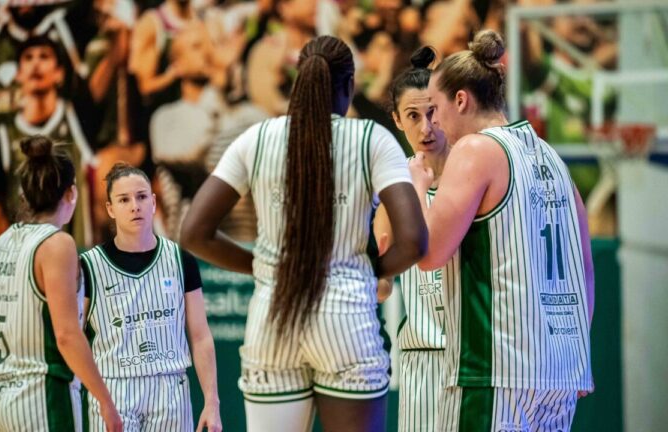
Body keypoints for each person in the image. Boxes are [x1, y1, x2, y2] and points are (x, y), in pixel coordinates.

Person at [180, 35, 428, 432]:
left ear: (298, 81)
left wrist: (261, 267)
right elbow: (414, 241)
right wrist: (369, 270)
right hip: (347, 322)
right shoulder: (372, 139)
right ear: (348, 87)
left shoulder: (255, 139)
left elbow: (193, 232)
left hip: (273, 320)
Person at [408, 30, 595, 431]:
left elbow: (428, 254)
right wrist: (578, 350)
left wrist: (419, 189)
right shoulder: (552, 158)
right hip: (561, 372)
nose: (434, 122)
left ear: (461, 100)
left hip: (497, 371)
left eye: (436, 108)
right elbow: (585, 268)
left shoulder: (475, 150)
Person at [0, 135, 121, 432]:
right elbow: (66, 335)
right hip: (41, 397)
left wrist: (5, 378)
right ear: (71, 193)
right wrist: (105, 400)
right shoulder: (57, 244)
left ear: (24, 193)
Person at [79, 163, 221, 432]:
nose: (135, 206)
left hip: (171, 389)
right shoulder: (88, 266)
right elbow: (73, 337)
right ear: (110, 208)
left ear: (154, 202)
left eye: (142, 196)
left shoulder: (181, 259)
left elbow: (201, 336)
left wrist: (211, 402)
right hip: (113, 389)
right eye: (124, 199)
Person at [373, 46, 450, 432]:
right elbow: (382, 287)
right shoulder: (392, 188)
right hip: (422, 359)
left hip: (477, 356)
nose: (426, 128)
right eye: (413, 116)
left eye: (434, 113)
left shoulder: (477, 172)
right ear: (397, 121)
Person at [0, 35, 95, 248]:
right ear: (19, 74)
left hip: (76, 253)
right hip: (24, 256)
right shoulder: (3, 134)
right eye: (28, 58)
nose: (36, 63)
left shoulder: (79, 119)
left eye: (44, 56)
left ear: (59, 73)